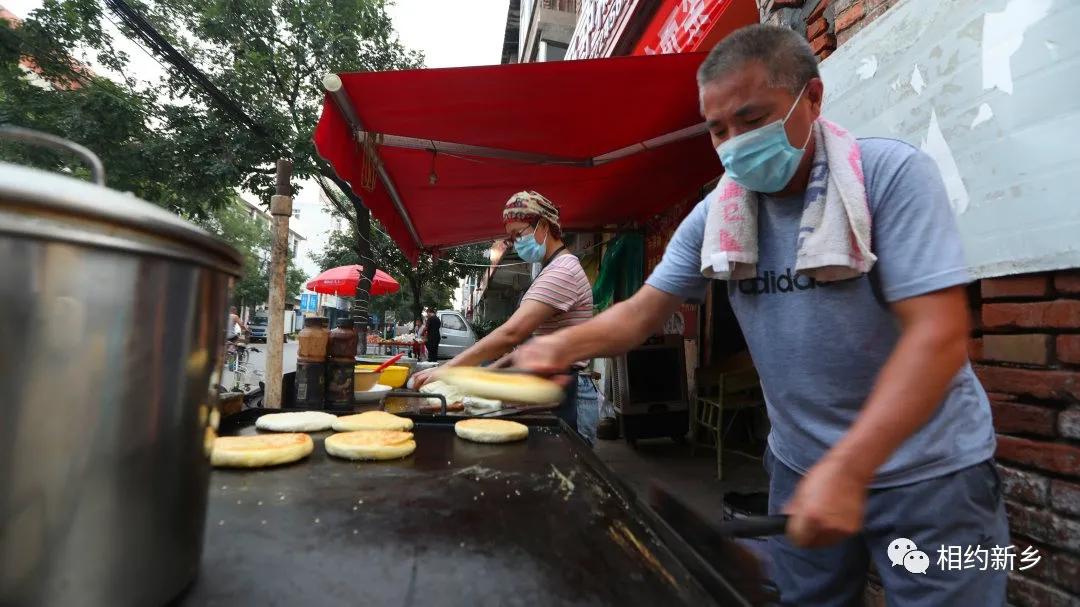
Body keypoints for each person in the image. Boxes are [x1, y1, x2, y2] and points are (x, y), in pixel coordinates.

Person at [511, 25, 1006, 606]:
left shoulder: (890, 178)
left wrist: (848, 469)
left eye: (751, 119)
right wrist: (556, 349)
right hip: (801, 470)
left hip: (934, 475)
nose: (732, 144)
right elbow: (641, 313)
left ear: (812, 99)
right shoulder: (714, 217)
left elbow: (940, 336)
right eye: (717, 129)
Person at [412, 191, 600, 443]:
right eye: (511, 237)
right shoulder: (552, 270)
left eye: (518, 234)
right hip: (553, 385)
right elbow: (532, 345)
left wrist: (448, 369)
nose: (515, 243)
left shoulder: (562, 271)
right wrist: (489, 370)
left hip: (569, 391)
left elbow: (512, 333)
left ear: (543, 225)